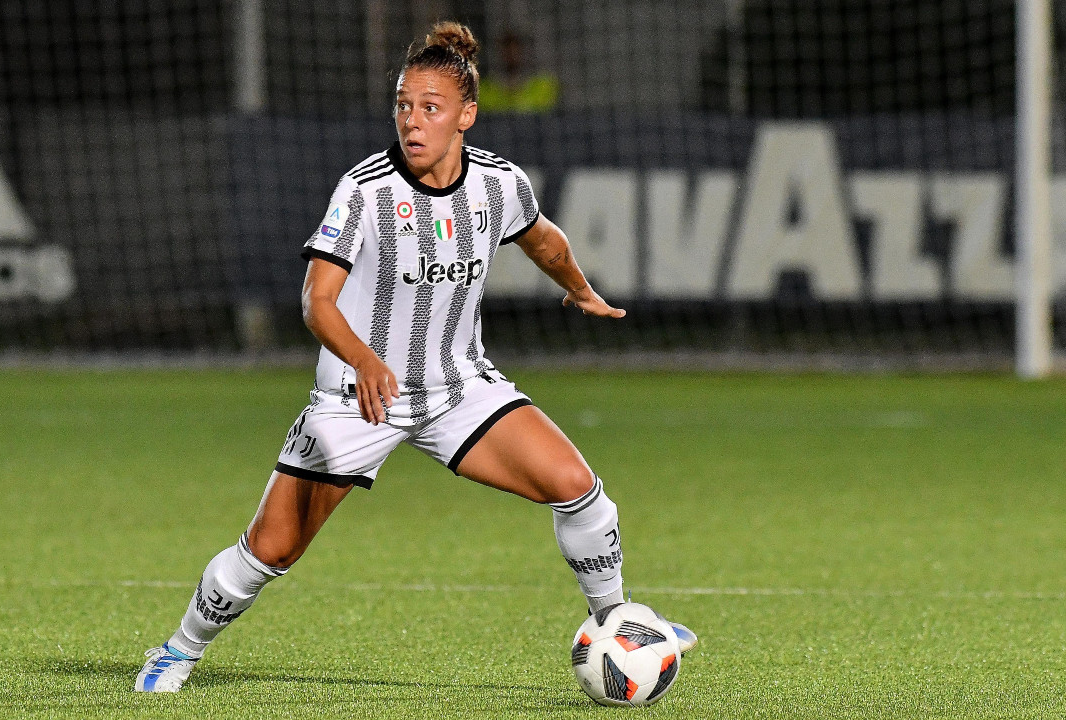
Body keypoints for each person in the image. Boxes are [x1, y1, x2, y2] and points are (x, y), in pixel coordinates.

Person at [135, 21, 696, 693]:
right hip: (358, 400)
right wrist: (365, 360)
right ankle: (179, 649)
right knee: (271, 549)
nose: (412, 120)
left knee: (580, 491)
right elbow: (317, 301)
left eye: (430, 107)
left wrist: (579, 289)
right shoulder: (364, 191)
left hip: (458, 390)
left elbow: (542, 239)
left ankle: (617, 623)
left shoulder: (499, 184)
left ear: (466, 115)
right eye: (403, 105)